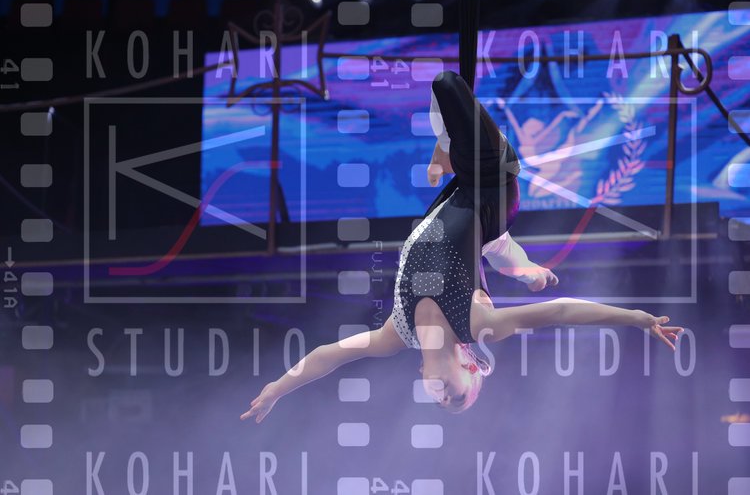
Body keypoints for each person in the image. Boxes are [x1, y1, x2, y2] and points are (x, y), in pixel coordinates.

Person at [241, 71, 683, 422]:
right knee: (447, 85)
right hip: (494, 188)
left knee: (448, 111)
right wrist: (637, 318)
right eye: (457, 397)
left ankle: (455, 163)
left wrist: (277, 389)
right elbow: (562, 312)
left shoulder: (396, 334)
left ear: (422, 377)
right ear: (470, 368)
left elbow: (326, 357)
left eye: (441, 403)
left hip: (457, 198)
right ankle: (453, 157)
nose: (443, 397)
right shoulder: (478, 325)